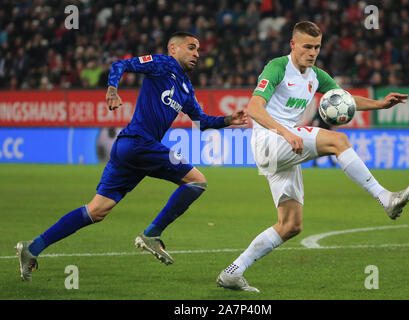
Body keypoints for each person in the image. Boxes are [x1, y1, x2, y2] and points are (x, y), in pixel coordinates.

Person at [16, 31, 248, 281]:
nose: (197, 54)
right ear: (173, 49)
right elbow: (121, 64)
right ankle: (152, 233)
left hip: (131, 149)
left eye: (199, 50)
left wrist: (227, 120)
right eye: (191, 48)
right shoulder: (162, 63)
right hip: (139, 143)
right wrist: (112, 88)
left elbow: (200, 121)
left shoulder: (185, 88)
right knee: (196, 181)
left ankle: (32, 248)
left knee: (97, 210)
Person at [216, 21, 409, 292]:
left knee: (290, 225)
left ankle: (233, 272)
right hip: (270, 141)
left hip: (285, 148)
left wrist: (380, 104)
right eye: (307, 46)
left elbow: (344, 98)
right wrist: (286, 133)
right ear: (293, 45)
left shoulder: (315, 75)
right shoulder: (277, 67)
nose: (312, 52)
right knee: (338, 140)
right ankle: (385, 198)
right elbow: (253, 108)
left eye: (317, 47)